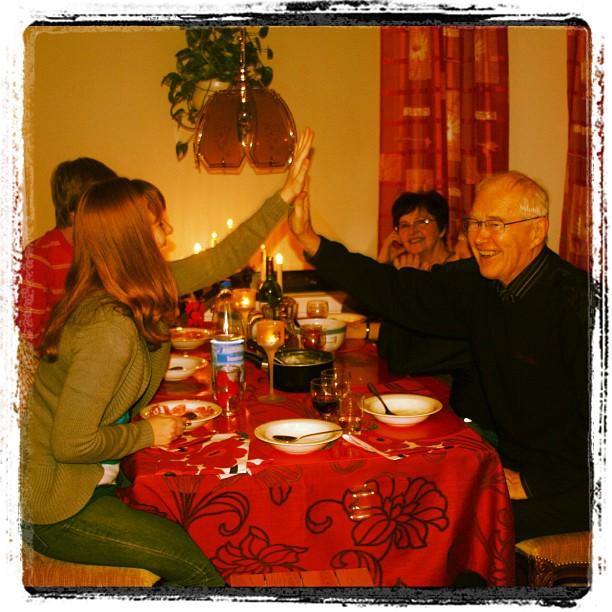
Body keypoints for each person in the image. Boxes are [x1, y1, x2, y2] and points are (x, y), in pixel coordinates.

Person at [19, 129, 312, 585]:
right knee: (198, 567)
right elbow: (70, 444)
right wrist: (145, 433)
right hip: (56, 507)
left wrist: (285, 195)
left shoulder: (128, 286)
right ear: (132, 237)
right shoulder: (107, 326)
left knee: (202, 528)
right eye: (158, 223)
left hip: (93, 483)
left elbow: (223, 255)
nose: (168, 232)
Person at [289, 164, 590, 544]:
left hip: (578, 482)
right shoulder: (481, 286)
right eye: (475, 223)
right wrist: (312, 241)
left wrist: (533, 482)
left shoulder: (580, 306)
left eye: (495, 224)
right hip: (510, 459)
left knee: (448, 526)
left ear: (537, 230)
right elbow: (397, 290)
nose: (480, 237)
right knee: (411, 496)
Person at [16, 158, 117, 347]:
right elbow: (25, 340)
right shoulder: (38, 258)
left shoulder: (104, 251)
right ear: (74, 210)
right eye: (104, 205)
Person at [378, 191, 455, 270]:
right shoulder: (400, 267)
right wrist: (383, 263)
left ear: (442, 229)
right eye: (404, 225)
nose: (412, 231)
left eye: (421, 222)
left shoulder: (460, 269)